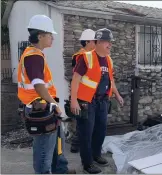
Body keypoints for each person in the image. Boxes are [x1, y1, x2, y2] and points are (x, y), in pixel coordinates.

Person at [17, 14, 75, 174]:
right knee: (44, 152)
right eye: (50, 35)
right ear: (40, 35)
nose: (52, 38)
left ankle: (60, 170)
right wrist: (55, 105)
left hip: (44, 107)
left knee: (58, 143)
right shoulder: (34, 56)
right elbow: (38, 85)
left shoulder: (35, 54)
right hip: (40, 109)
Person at [70, 28, 124, 174]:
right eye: (108, 42)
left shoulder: (109, 60)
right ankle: (87, 163)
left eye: (111, 42)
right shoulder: (85, 57)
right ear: (99, 42)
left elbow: (110, 80)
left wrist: (117, 95)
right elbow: (75, 79)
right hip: (86, 102)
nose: (110, 45)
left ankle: (96, 155)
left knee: (100, 131)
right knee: (86, 133)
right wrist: (73, 100)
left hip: (102, 102)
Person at [69, 29, 96, 153]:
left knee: (83, 122)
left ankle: (77, 145)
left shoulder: (85, 55)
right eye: (94, 41)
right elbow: (78, 77)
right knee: (83, 122)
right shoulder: (82, 56)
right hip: (83, 94)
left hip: (86, 94)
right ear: (87, 42)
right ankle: (76, 145)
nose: (96, 44)